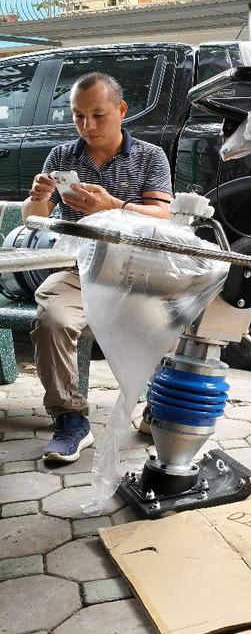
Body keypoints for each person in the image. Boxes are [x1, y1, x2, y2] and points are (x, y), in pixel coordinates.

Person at [22, 72, 173, 464]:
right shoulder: (61, 157)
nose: (87, 125)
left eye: (98, 115)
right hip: (80, 269)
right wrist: (37, 197)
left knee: (171, 318)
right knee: (52, 319)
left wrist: (113, 206)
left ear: (121, 110)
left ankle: (158, 405)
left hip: (137, 271)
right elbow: (34, 219)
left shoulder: (149, 156)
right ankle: (70, 419)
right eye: (78, 116)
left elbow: (163, 215)